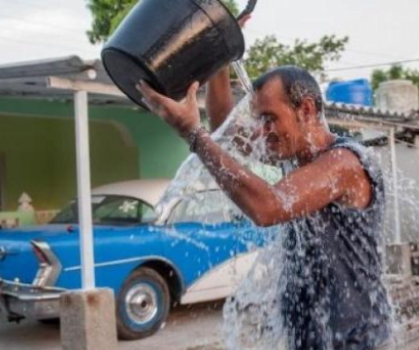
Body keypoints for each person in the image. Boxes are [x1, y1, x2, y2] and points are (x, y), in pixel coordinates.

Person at [137, 62, 391, 349]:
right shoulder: (292, 152)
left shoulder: (345, 163)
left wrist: (193, 135)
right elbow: (223, 131)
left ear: (306, 110)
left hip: (356, 341)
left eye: (269, 118)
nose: (263, 130)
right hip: (308, 337)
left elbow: (269, 207)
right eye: (259, 120)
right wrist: (220, 61)